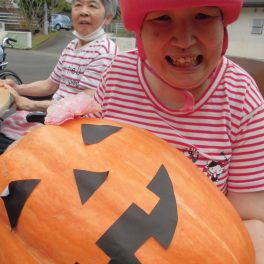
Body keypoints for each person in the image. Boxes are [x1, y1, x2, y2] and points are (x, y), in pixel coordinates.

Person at [44, 0, 264, 262]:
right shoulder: (116, 77)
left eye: (203, 16)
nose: (184, 40)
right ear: (139, 32)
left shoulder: (242, 98)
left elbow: (250, 216)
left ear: (223, 25)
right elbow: (82, 164)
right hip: (103, 236)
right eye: (162, 18)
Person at [0, 0, 119, 153]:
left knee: (6, 149)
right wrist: (17, 88)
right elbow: (50, 84)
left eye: (92, 5)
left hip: (76, 131)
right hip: (53, 118)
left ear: (107, 18)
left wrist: (31, 104)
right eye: (78, 5)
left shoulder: (105, 52)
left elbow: (85, 104)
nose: (83, 11)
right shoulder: (72, 46)